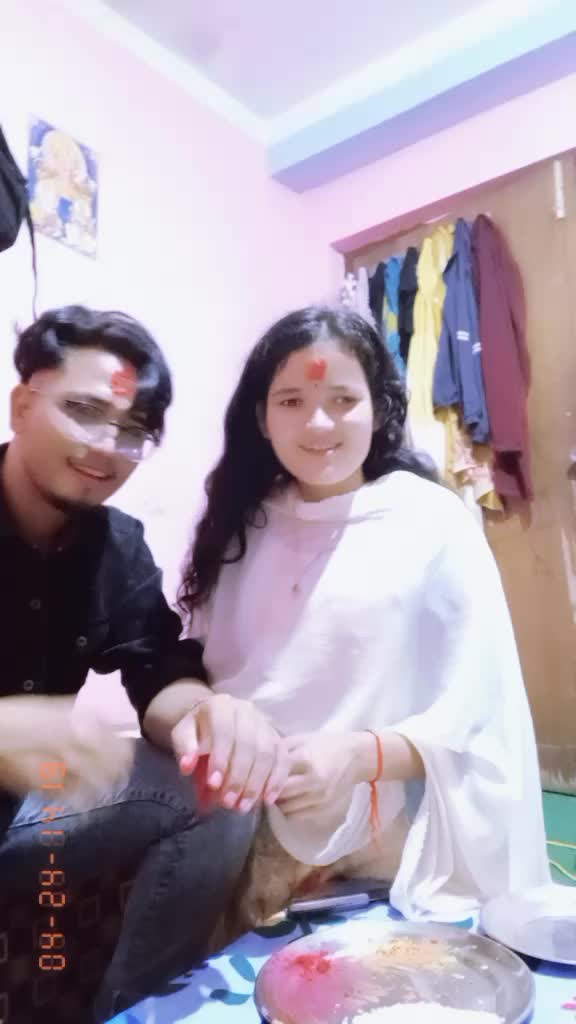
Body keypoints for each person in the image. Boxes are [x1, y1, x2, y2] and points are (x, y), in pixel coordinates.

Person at [178, 304, 551, 933]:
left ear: (378, 409)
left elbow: (480, 714)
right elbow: (209, 675)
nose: (319, 423)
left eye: (343, 400)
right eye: (291, 401)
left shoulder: (432, 522)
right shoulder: (239, 525)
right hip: (247, 824)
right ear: (262, 419)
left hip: (391, 829)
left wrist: (357, 756)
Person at [0, 306, 288, 1023]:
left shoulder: (116, 547)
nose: (107, 447)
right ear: (22, 404)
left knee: (217, 790)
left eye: (132, 429)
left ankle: (141, 1012)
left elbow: (158, 667)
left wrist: (206, 718)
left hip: (24, 812)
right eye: (83, 411)